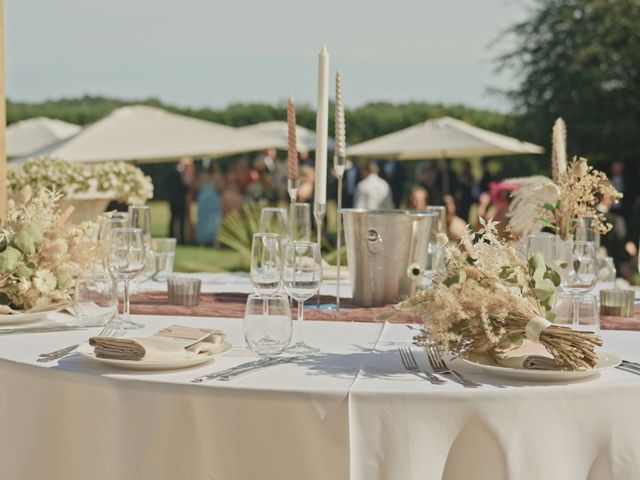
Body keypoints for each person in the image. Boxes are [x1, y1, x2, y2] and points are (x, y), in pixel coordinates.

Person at [195, 161, 223, 246]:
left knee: (212, 218)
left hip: (207, 198)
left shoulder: (204, 176)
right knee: (209, 218)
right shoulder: (215, 176)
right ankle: (208, 240)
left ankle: (207, 240)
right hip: (209, 198)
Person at [168, 157, 194, 244]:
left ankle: (174, 236)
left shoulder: (171, 171)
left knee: (175, 219)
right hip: (179, 199)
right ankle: (180, 238)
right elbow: (185, 185)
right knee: (179, 219)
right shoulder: (181, 172)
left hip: (174, 199)